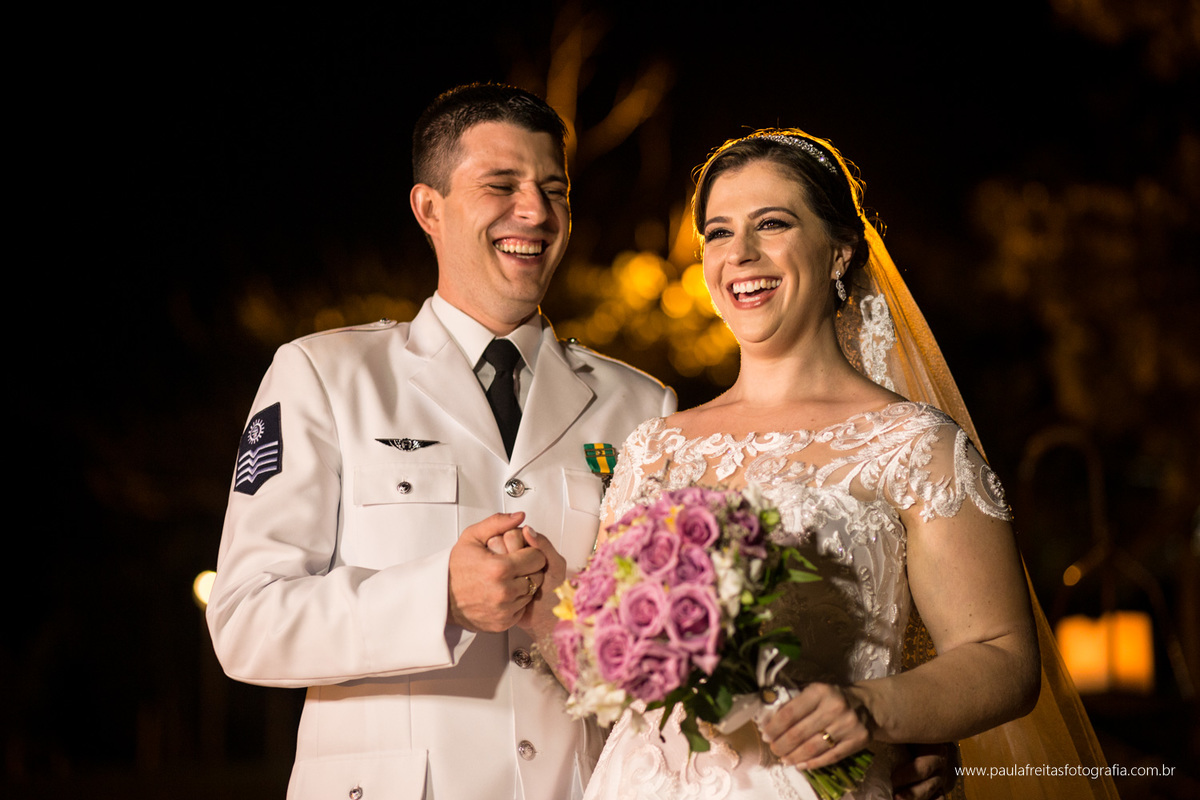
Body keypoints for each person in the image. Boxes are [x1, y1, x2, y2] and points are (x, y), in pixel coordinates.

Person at [206, 83, 676, 800]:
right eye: (502, 185)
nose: (537, 212)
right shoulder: (323, 376)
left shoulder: (643, 405)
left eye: (555, 189)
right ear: (429, 207)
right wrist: (438, 599)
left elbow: (670, 650)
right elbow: (247, 622)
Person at [582, 129, 1055, 800]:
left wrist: (877, 710)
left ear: (839, 251)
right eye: (718, 233)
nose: (739, 253)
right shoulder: (652, 450)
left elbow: (1005, 660)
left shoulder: (915, 447)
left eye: (771, 224)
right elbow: (605, 651)